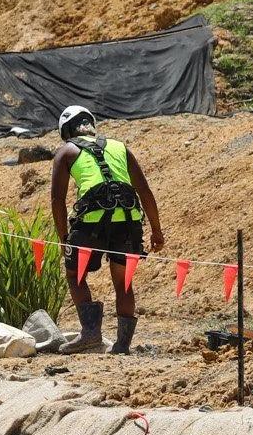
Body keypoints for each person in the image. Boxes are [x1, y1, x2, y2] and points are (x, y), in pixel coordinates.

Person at [50, 105, 166, 355]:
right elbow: (144, 191)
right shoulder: (120, 147)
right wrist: (156, 231)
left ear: (66, 131)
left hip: (91, 221)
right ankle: (122, 345)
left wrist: (63, 238)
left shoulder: (67, 151)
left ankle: (91, 333)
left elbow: (57, 200)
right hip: (128, 220)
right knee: (123, 282)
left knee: (75, 274)